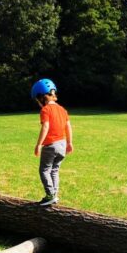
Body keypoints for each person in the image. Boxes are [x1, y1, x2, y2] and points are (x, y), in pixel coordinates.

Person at [31, 78, 73, 206]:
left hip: (51, 146)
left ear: (42, 97)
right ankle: (54, 195)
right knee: (54, 170)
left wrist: (39, 144)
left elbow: (46, 127)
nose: (38, 103)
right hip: (62, 144)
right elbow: (68, 126)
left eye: (37, 100)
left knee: (44, 170)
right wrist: (70, 143)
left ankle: (50, 195)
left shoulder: (45, 110)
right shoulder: (62, 109)